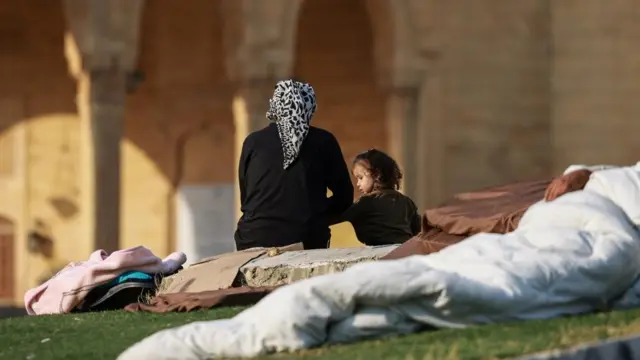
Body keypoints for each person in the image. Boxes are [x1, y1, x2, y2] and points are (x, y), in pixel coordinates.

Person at [234, 79, 354, 251]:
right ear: (311, 107)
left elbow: (247, 197)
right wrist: (313, 214)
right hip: (304, 239)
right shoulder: (323, 141)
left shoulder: (253, 141)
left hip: (252, 238)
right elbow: (345, 197)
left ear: (275, 106)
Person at [340, 149, 421, 246]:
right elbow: (416, 230)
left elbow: (340, 217)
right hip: (404, 250)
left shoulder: (367, 202)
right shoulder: (407, 201)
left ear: (376, 175)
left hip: (378, 253)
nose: (358, 184)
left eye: (360, 178)